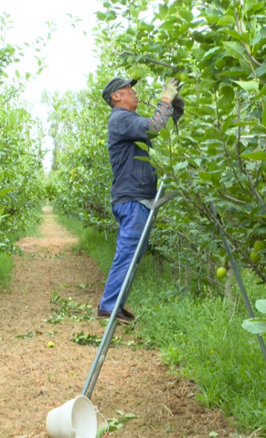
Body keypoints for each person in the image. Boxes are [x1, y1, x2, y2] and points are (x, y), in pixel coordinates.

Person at [97, 76, 184, 324]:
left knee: (133, 253)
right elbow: (154, 127)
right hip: (132, 198)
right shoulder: (121, 119)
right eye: (129, 89)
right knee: (128, 252)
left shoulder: (130, 121)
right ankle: (109, 305)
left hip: (138, 196)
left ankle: (115, 304)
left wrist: (174, 108)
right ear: (117, 96)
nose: (134, 93)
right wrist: (165, 98)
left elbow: (161, 128)